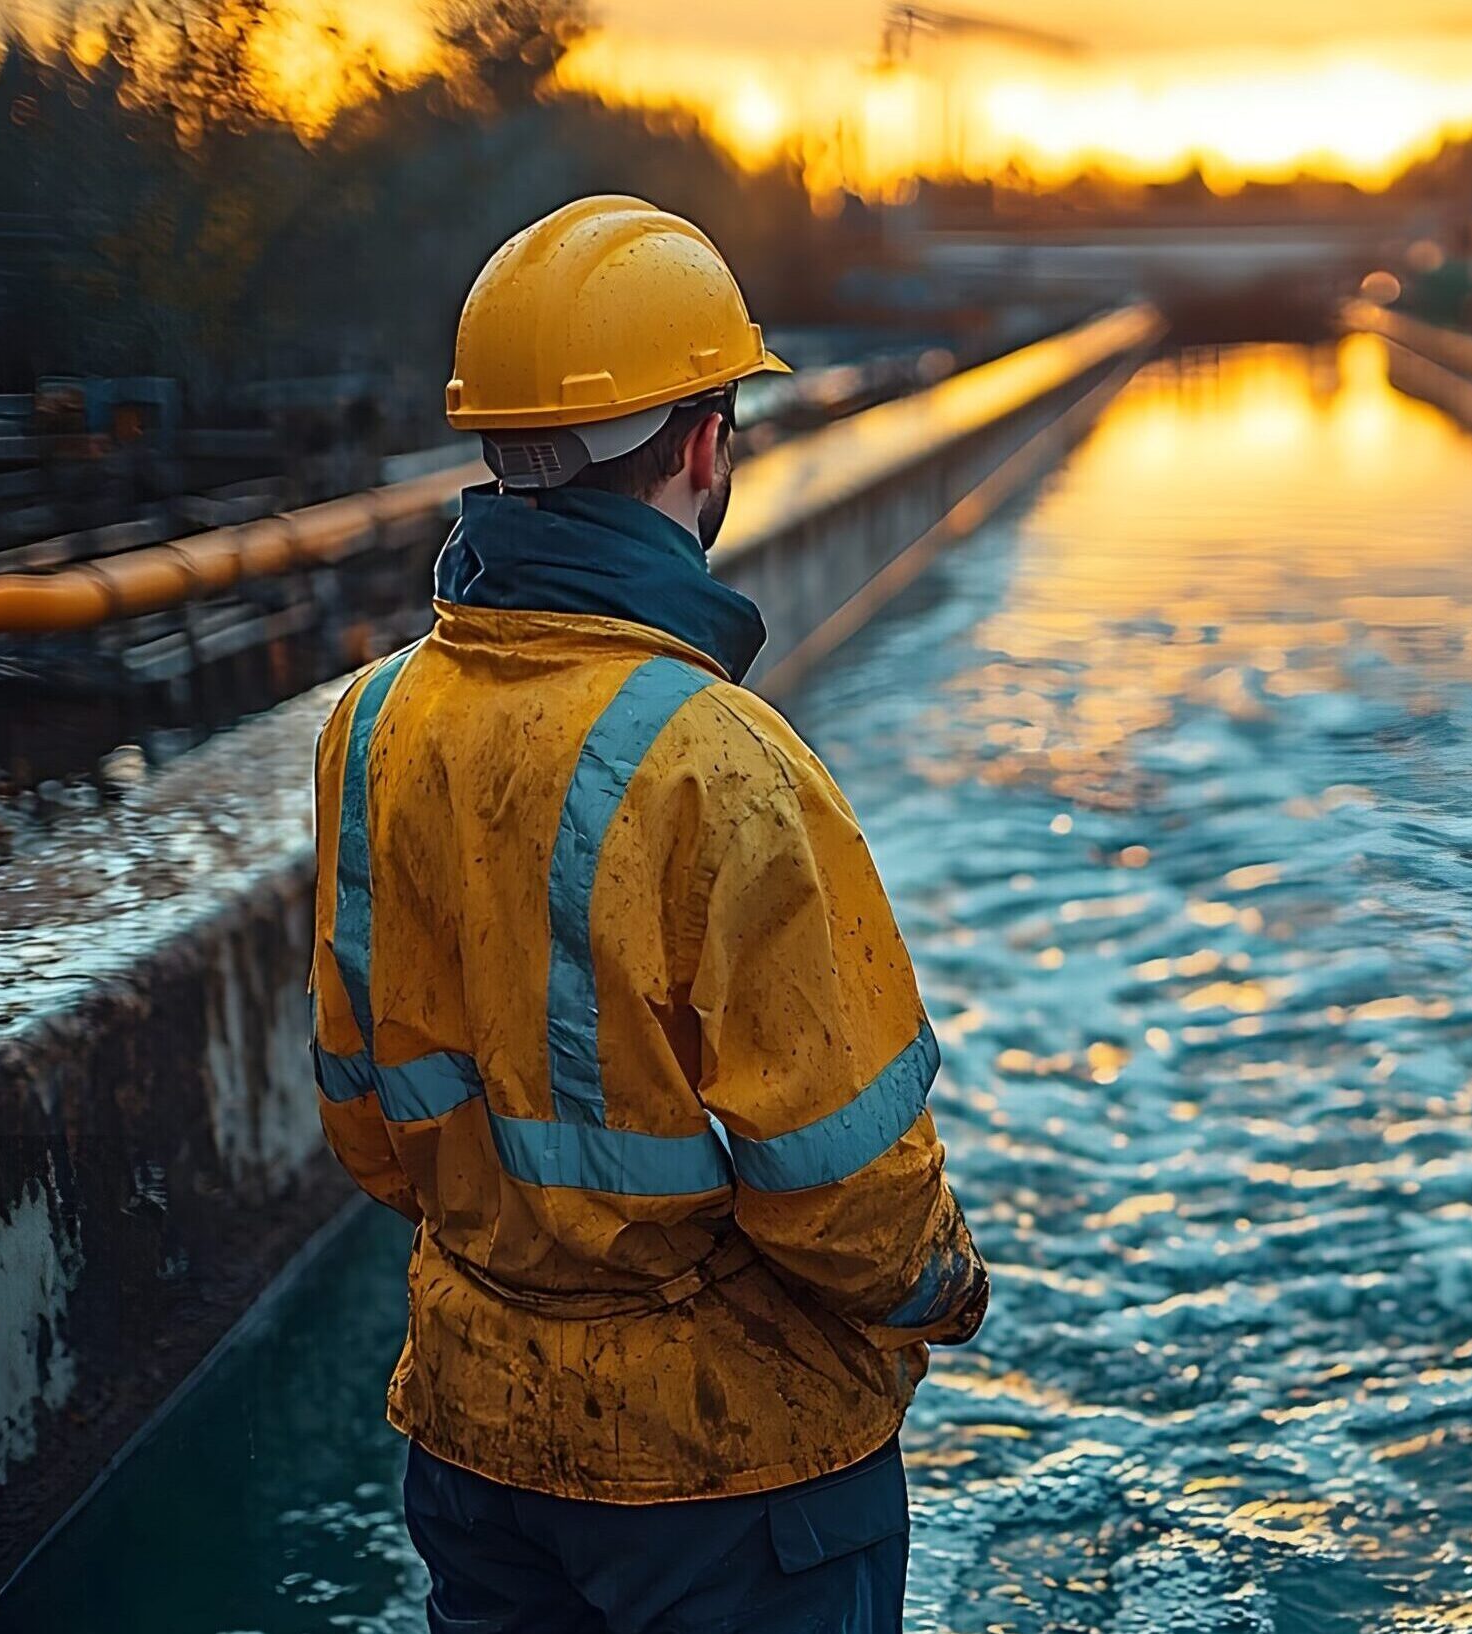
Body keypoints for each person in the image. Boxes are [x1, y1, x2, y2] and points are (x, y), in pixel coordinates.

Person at [309, 196, 987, 1634]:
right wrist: (944, 1285)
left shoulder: (371, 726)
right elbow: (849, 1185)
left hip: (478, 1436)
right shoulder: (719, 762)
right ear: (702, 442)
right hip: (737, 1477)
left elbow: (367, 1116)